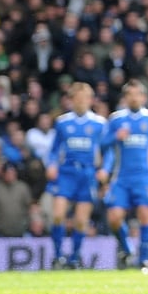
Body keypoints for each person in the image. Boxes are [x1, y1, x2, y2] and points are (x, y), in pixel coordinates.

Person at [101, 81, 148, 270]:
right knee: (114, 217)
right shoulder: (116, 119)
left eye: (137, 94)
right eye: (130, 94)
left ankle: (144, 259)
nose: (134, 97)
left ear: (143, 97)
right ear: (125, 98)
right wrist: (116, 136)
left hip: (144, 176)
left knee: (145, 215)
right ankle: (126, 249)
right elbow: (102, 145)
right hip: (121, 177)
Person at [45, 82, 107, 268]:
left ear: (90, 100)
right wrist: (51, 165)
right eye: (77, 99)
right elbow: (54, 150)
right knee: (57, 215)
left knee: (81, 221)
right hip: (66, 173)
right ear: (70, 100)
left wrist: (105, 168)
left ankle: (74, 258)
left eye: (84, 99)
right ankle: (57, 256)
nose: (80, 102)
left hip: (87, 174)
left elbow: (107, 150)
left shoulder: (99, 123)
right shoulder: (63, 122)